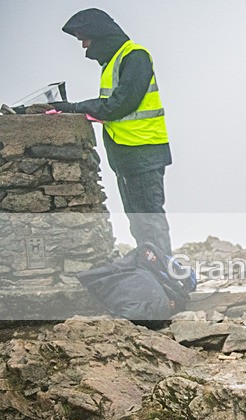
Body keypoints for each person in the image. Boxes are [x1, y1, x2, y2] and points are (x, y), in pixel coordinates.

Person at [51, 8, 173, 254]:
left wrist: (73, 107)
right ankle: (155, 276)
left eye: (85, 38)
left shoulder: (135, 56)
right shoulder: (113, 63)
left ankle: (164, 279)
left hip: (143, 153)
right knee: (140, 224)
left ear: (101, 34)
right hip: (128, 155)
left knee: (149, 222)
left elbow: (118, 104)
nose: (84, 46)